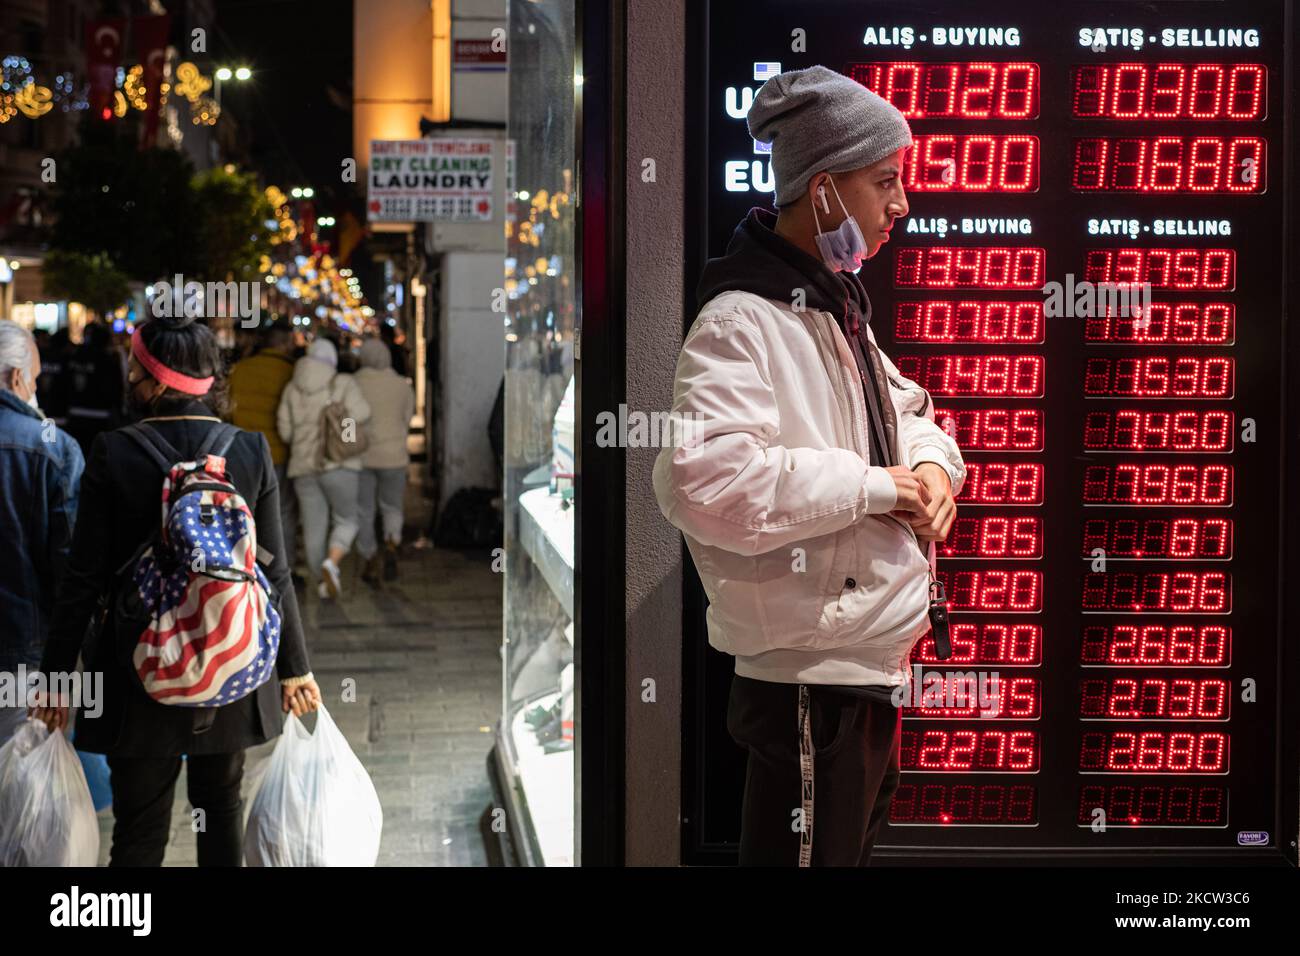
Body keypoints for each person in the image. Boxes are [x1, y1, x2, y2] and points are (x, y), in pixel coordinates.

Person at [652, 66, 966, 867]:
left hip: (859, 672)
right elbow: (703, 480)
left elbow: (915, 414)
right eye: (885, 181)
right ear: (824, 190)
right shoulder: (740, 322)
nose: (902, 203)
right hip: (807, 684)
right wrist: (875, 486)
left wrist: (930, 473)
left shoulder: (835, 308)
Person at [30, 314, 320, 867]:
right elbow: (275, 574)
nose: (129, 377)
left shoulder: (113, 451)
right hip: (232, 659)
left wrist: (55, 678)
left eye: (135, 368)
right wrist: (295, 669)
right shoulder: (250, 450)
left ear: (157, 380)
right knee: (221, 810)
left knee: (139, 831)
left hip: (139, 668)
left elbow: (82, 578)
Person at [0, 321, 84, 745]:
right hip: (24, 650)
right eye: (33, 378)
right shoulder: (55, 447)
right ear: (17, 378)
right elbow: (70, 566)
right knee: (24, 796)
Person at [277, 336, 371, 599]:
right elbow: (360, 414)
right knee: (347, 519)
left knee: (312, 528)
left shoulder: (291, 388)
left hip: (303, 469)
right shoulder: (342, 383)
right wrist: (347, 438)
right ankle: (333, 562)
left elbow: (285, 432)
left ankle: (321, 582)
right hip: (340, 466)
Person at [228, 320, 299, 580]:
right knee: (282, 513)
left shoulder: (241, 370)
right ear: (285, 342)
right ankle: (283, 570)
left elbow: (228, 412)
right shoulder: (291, 372)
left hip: (244, 454)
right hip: (279, 453)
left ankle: (245, 569)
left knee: (246, 512)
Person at [353, 338, 415, 585]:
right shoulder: (402, 385)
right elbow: (407, 419)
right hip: (394, 456)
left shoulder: (355, 384)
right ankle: (391, 543)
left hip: (363, 457)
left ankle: (369, 558)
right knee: (392, 506)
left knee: (364, 510)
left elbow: (348, 420)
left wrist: (349, 442)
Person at [62, 321, 126, 455]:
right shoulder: (108, 360)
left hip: (75, 415)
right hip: (100, 418)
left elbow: (64, 385)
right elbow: (117, 390)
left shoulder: (73, 357)